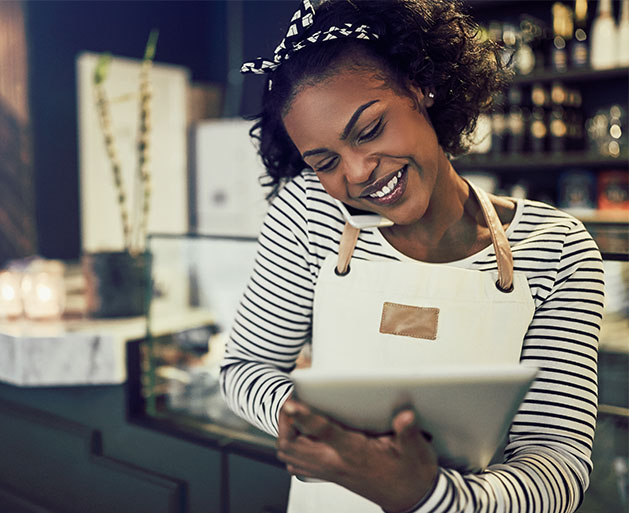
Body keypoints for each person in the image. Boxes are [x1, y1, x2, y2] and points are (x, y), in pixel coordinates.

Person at [220, 0, 605, 511]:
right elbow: (244, 368)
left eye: (370, 130)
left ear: (421, 86)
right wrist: (310, 421)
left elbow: (556, 460)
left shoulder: (557, 248)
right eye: (326, 161)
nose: (357, 174)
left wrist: (429, 495)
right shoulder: (310, 213)